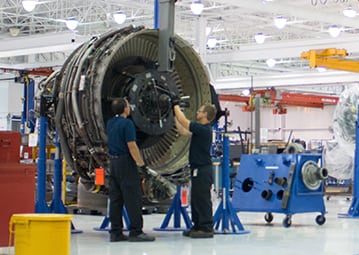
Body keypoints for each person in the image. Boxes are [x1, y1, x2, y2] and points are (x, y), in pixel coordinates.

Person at [106, 97, 155, 242]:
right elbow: (132, 146)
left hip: (113, 163)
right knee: (133, 198)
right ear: (125, 109)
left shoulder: (110, 123)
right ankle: (136, 231)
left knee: (116, 199)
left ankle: (115, 232)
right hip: (126, 163)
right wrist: (141, 164)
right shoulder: (127, 124)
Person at [172, 98, 217, 238]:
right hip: (197, 169)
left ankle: (207, 227)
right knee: (196, 198)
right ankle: (197, 226)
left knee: (202, 198)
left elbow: (185, 122)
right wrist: (175, 115)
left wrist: (175, 106)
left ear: (205, 115)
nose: (197, 112)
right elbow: (184, 131)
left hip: (203, 170)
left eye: (199, 111)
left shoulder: (204, 129)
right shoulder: (200, 130)